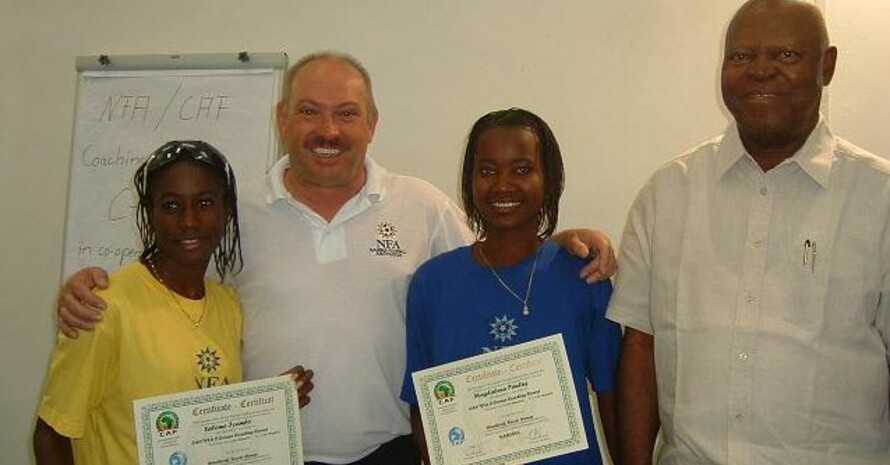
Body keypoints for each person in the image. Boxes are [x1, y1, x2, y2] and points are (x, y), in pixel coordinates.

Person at [56, 53, 617, 465]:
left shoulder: (422, 206)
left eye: (347, 114)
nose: (328, 130)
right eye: (310, 112)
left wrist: (567, 241)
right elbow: (170, 282)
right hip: (260, 454)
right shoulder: (233, 211)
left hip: (390, 452)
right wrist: (87, 286)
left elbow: (496, 255)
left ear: (372, 123)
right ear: (282, 119)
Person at [608, 1, 890, 464]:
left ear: (828, 65)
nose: (761, 71)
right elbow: (641, 346)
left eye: (786, 56)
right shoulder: (667, 194)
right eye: (741, 57)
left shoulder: (879, 200)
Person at [33, 141, 313, 465]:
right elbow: (51, 435)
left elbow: (209, 419)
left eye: (205, 203)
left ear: (226, 211)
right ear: (150, 214)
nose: (189, 221)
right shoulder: (103, 309)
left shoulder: (229, 305)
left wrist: (271, 405)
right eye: (171, 206)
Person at [400, 108, 621, 465]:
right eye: (487, 170)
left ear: (549, 179)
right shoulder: (432, 284)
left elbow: (612, 397)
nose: (502, 184)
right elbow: (422, 407)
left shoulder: (585, 277)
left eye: (521, 169)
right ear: (469, 182)